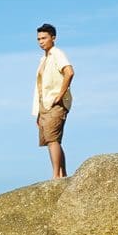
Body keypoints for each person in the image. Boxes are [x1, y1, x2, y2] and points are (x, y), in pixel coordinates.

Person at [33, 22, 75, 179]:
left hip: (54, 103)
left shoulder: (57, 53)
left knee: (52, 140)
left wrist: (60, 95)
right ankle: (62, 174)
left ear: (53, 38)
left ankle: (56, 176)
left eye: (44, 38)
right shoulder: (43, 59)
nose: (41, 42)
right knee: (53, 140)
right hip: (45, 105)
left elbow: (69, 72)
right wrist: (38, 112)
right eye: (38, 39)